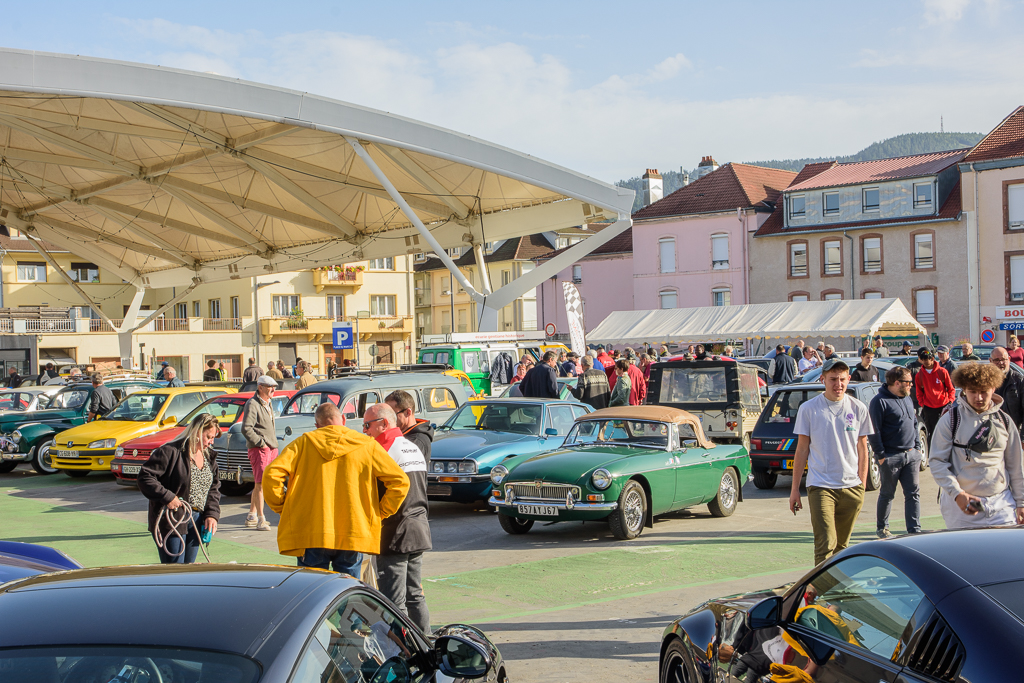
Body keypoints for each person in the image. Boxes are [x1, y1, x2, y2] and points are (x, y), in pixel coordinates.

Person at [262, 402, 409, 577]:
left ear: (317, 425)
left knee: (314, 594)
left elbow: (271, 474)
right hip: (354, 531)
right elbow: (400, 481)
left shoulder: (302, 444)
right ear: (344, 420)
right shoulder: (367, 445)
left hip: (312, 532)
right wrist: (380, 511)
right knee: (347, 593)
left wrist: (283, 506)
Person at [789, 358, 873, 566]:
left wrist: (862, 485)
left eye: (842, 379)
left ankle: (837, 592)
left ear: (849, 379)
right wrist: (794, 490)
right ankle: (819, 593)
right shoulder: (809, 409)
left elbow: (863, 449)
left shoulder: (858, 408)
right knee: (825, 544)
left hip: (851, 487)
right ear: (823, 379)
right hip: (821, 485)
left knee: (842, 547)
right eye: (833, 379)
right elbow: (801, 450)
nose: (838, 384)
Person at [929, 363, 1024, 529]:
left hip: (1001, 504)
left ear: (993, 389)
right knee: (965, 554)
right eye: (973, 391)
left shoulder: (1005, 421)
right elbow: (937, 462)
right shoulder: (950, 420)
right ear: (964, 390)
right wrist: (957, 494)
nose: (978, 397)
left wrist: (1021, 502)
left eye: (983, 392)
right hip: (962, 506)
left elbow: (1016, 466)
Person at [363, 403, 431, 633]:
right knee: (415, 595)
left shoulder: (383, 449)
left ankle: (402, 657)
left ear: (384, 423)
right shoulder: (410, 446)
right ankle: (426, 644)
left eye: (367, 425)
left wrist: (378, 517)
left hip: (395, 532)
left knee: (393, 604)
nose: (365, 431)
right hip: (418, 527)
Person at [137, 413, 221, 564]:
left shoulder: (209, 457)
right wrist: (167, 497)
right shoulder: (170, 451)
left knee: (189, 571)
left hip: (197, 519)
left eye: (213, 438)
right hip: (173, 519)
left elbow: (214, 488)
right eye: (208, 437)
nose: (211, 442)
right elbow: (145, 477)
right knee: (174, 571)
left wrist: (212, 514)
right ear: (196, 431)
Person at [868, 366, 923, 538]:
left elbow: (914, 423)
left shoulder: (907, 398)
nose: (911, 386)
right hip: (890, 457)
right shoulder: (879, 401)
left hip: (911, 455)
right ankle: (882, 528)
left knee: (913, 493)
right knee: (887, 494)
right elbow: (873, 430)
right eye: (908, 383)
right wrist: (881, 455)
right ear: (897, 382)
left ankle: (914, 529)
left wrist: (917, 448)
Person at [241, 375, 279, 531]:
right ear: (260, 387)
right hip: (260, 449)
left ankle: (252, 515)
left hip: (270, 448)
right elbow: (246, 428)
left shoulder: (267, 403)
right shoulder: (253, 404)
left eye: (274, 386)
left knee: (260, 484)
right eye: (269, 386)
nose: (273, 389)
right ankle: (261, 519)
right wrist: (261, 443)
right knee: (260, 484)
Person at [915, 348, 955, 440]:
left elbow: (951, 389)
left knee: (946, 430)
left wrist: (950, 401)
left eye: (926, 360)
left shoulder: (942, 372)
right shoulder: (919, 375)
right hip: (929, 407)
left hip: (944, 405)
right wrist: (923, 404)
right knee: (931, 432)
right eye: (923, 360)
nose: (924, 362)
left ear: (932, 359)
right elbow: (919, 393)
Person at [384, 390, 434, 461]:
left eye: (393, 415)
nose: (389, 419)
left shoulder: (416, 441)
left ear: (408, 412)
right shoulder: (402, 434)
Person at [991, 346, 1024, 432]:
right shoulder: (986, 381)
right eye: (996, 360)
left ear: (1009, 359)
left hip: (1014, 431)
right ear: (990, 361)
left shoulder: (1019, 380)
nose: (1001, 363)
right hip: (991, 433)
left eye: (1003, 359)